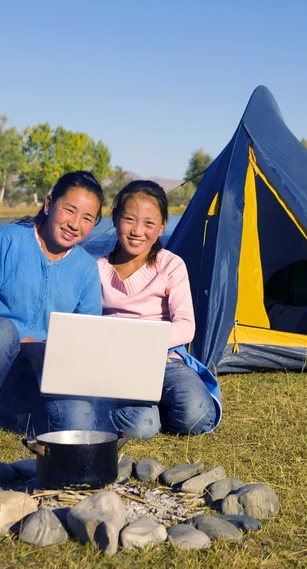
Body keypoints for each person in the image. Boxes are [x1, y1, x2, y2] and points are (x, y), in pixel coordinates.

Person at [0, 171, 104, 446]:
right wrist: (24, 341)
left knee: (79, 422)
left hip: (43, 372)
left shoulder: (87, 268)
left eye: (87, 218)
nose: (75, 224)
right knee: (2, 331)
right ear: (49, 203)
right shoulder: (8, 239)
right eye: (69, 210)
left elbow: (87, 332)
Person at [95, 180, 222, 439]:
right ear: (115, 218)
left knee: (196, 415)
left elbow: (186, 326)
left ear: (162, 226)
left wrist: (142, 340)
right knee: (143, 426)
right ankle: (134, 410)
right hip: (120, 365)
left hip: (165, 362)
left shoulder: (171, 265)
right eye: (129, 219)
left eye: (149, 224)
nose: (137, 231)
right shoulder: (97, 270)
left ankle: (161, 404)